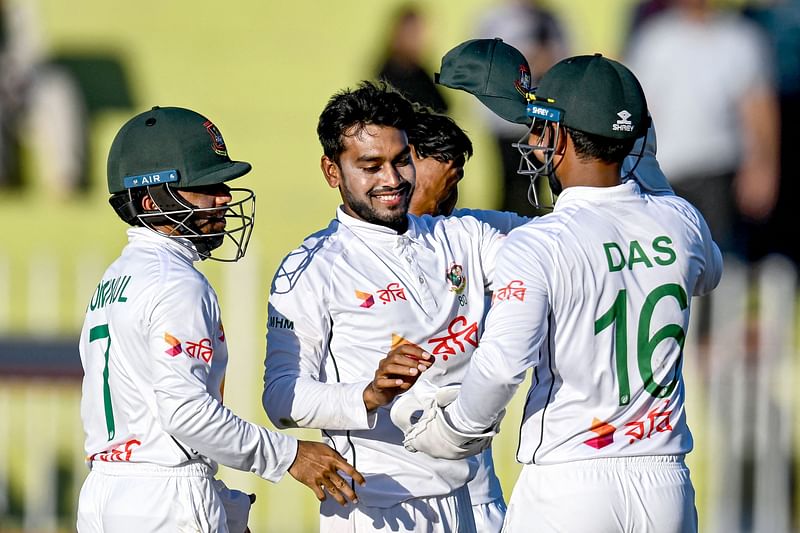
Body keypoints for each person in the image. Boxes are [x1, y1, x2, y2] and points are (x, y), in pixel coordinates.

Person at [402, 55, 723, 532]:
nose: (532, 142)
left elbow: (502, 367)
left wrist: (453, 431)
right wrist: (635, 148)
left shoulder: (539, 242)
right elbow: (708, 273)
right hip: (666, 483)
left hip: (570, 483)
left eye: (539, 128)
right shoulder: (682, 221)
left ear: (561, 137)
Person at [77, 106, 364, 533]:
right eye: (205, 185)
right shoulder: (177, 283)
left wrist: (224, 508)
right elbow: (185, 415)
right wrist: (290, 456)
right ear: (153, 199)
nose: (224, 197)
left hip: (105, 494)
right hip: (164, 500)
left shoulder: (116, 277)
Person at [262, 81, 509, 532]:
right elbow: (280, 397)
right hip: (379, 508)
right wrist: (368, 394)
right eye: (370, 166)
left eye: (401, 161)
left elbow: (567, 245)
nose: (392, 180)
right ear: (332, 171)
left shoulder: (464, 235)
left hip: (471, 502)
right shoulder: (313, 268)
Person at [406, 106, 513, 532]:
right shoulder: (331, 260)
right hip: (386, 497)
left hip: (475, 493)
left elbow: (563, 242)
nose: (444, 207)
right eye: (437, 188)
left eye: (453, 188)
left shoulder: (469, 233)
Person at [625, 0, 779, 258]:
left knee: (720, 259)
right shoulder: (655, 38)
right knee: (669, 256)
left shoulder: (741, 39)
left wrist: (763, 168)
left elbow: (759, 110)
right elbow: (640, 107)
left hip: (718, 167)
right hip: (664, 170)